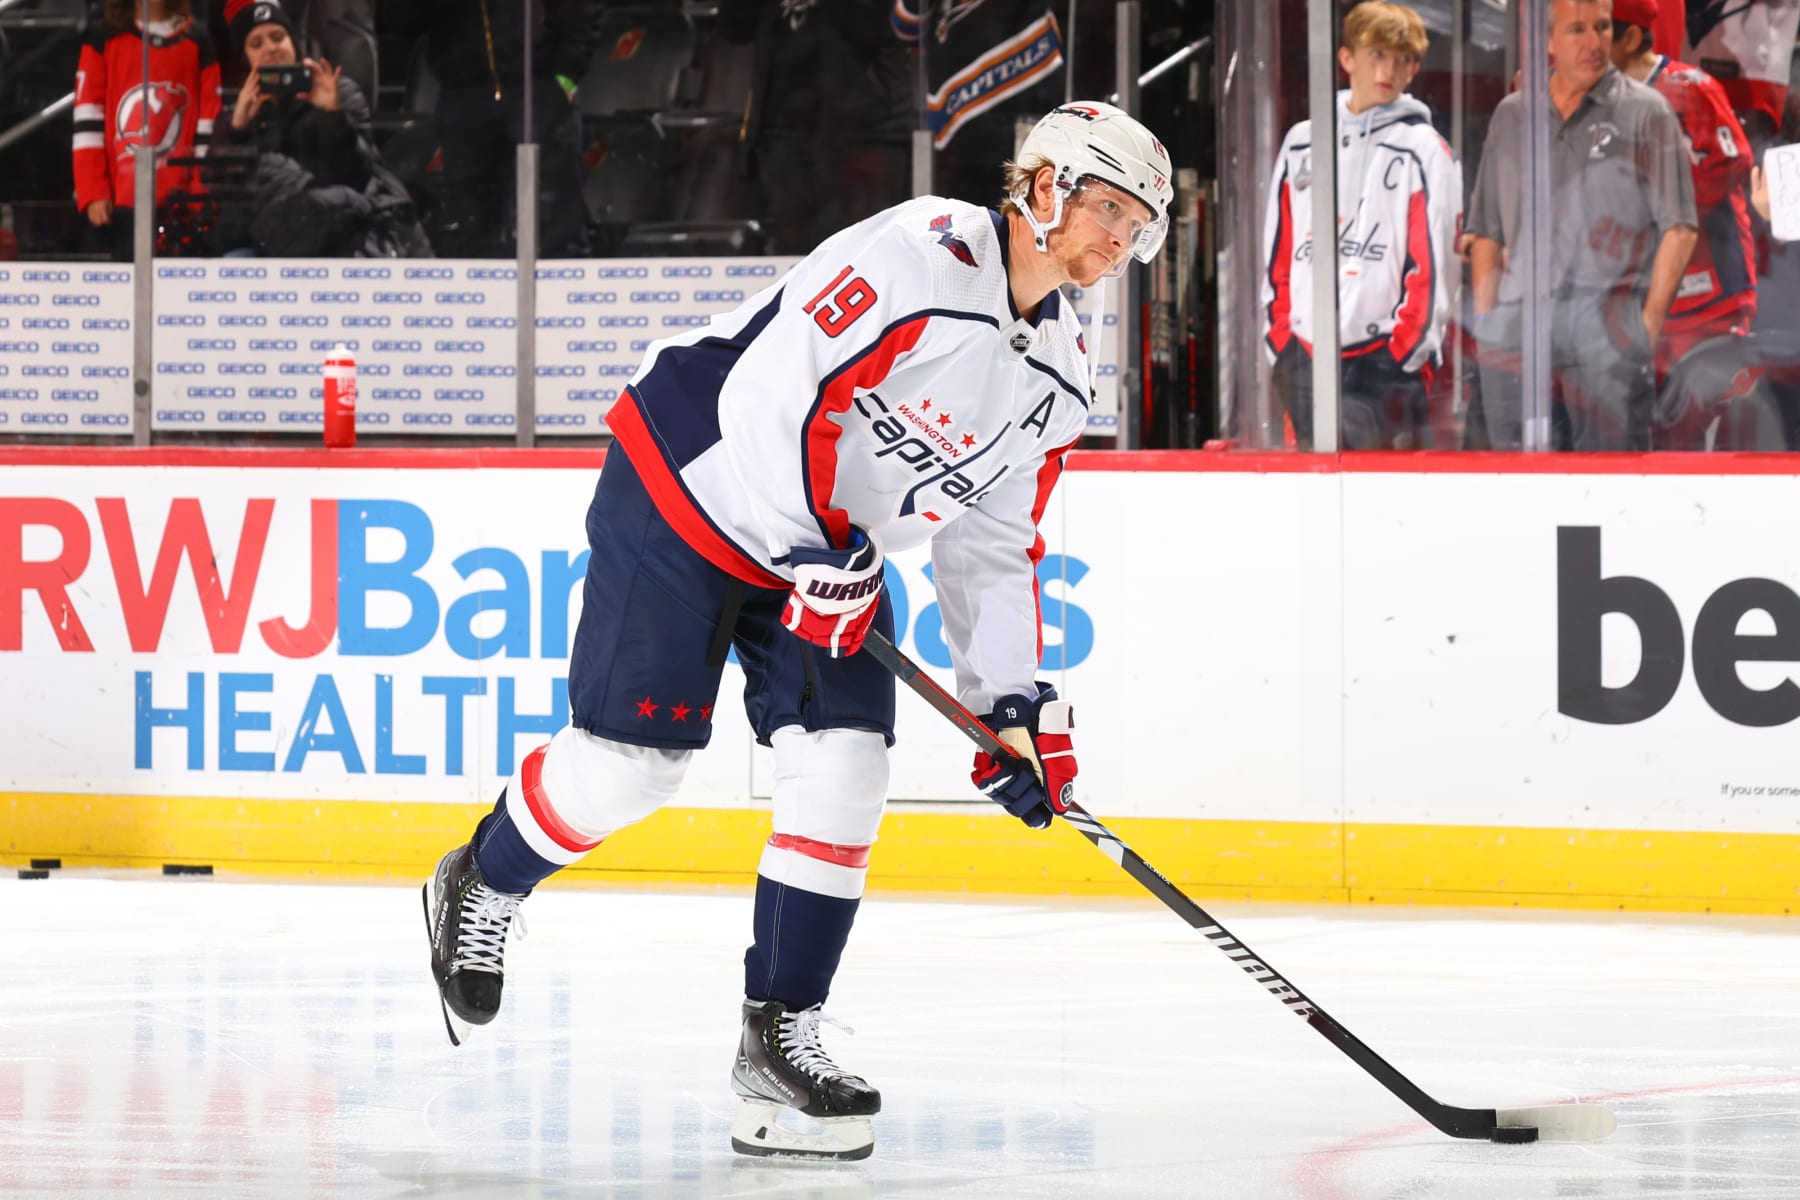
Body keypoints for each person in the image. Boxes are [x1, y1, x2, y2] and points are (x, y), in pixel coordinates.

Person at [422, 100, 1172, 1161]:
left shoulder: (1062, 377)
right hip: (695, 485)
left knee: (847, 767)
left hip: (828, 550)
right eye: (1107, 207)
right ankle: (483, 878)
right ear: (1043, 188)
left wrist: (1012, 704)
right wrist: (812, 552)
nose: (1119, 237)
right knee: (632, 770)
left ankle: (778, 1038)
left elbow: (992, 542)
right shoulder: (921, 253)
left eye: (1139, 224)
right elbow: (773, 390)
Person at [1466, 0, 1698, 450]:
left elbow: (1681, 228)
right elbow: (1487, 230)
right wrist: (1485, 322)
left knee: (1610, 483)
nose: (1594, 43)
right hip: (1517, 322)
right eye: (1577, 30)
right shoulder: (1512, 115)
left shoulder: (1648, 112)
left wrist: (1644, 329)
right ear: (1548, 41)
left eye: (1603, 27)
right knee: (1515, 480)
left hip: (1607, 323)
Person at [1260, 1, 1462, 449]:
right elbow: (1279, 254)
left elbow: (1434, 269)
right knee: (1311, 499)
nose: (1388, 68)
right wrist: (1282, 343)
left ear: (1414, 69)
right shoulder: (1301, 143)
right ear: (1347, 58)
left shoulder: (1426, 150)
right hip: (1304, 354)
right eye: (1377, 53)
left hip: (1385, 362)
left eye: (1402, 58)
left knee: (1386, 509)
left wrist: (1402, 356)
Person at [1608, 0, 1756, 395]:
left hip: (1712, 297)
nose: (1589, 42)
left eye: (1599, 29)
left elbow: (1734, 163)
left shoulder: (1693, 88)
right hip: (1642, 305)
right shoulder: (1596, 99)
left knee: (1712, 433)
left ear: (1630, 37)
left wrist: (1659, 194)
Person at [208, 0, 429, 257]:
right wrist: (238, 130)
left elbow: (356, 177)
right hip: (274, 240)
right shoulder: (237, 114)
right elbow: (227, 200)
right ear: (245, 59)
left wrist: (332, 115)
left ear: (294, 43)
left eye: (278, 37)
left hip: (341, 230)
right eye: (256, 44)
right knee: (235, 261)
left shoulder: (338, 91)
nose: (270, 48)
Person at [381, 0, 594, 258]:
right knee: (474, 227)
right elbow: (399, 21)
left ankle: (561, 295)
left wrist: (569, 71)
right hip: (463, 89)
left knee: (556, 221)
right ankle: (488, 297)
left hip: (539, 83)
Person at [73, 0, 221, 262]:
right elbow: (88, 119)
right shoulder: (102, 38)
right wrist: (93, 190)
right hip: (122, 200)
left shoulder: (197, 40)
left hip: (180, 204)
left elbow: (208, 125)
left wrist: (200, 192)